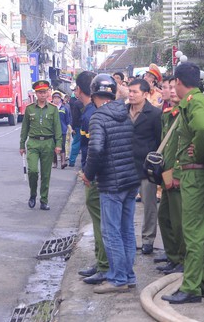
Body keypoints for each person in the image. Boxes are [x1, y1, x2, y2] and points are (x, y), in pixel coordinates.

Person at [162, 62, 204, 304]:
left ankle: (191, 287)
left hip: (195, 174)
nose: (173, 88)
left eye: (173, 84)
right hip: (198, 174)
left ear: (179, 83)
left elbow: (203, 128)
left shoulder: (194, 101)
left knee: (192, 231)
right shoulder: (194, 101)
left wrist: (197, 152)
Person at [79, 74, 140, 294]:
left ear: (94, 94)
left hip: (111, 183)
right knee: (126, 230)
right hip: (130, 180)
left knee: (111, 231)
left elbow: (95, 149)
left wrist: (87, 174)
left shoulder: (98, 117)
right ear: (113, 93)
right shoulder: (125, 113)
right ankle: (129, 276)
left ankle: (117, 279)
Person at [73, 71, 110, 285]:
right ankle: (100, 261)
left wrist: (88, 174)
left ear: (80, 90)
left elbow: (94, 150)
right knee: (99, 221)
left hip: (94, 176)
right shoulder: (92, 112)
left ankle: (104, 264)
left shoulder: (91, 115)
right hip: (95, 173)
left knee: (100, 222)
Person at [127, 78, 162, 255]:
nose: (131, 95)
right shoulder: (123, 112)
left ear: (145, 94)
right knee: (126, 205)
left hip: (146, 167)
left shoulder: (155, 114)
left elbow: (159, 141)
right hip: (126, 166)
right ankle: (128, 239)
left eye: (135, 92)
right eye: (129, 91)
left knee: (149, 205)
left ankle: (148, 239)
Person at [156, 76, 187, 275]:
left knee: (179, 220)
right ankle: (173, 256)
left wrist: (176, 173)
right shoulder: (168, 114)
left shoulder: (185, 114)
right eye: (168, 87)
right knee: (165, 216)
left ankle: (183, 259)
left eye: (175, 87)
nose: (171, 90)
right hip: (166, 173)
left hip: (179, 174)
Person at [19, 80, 63, 210]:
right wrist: (22, 145)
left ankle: (44, 199)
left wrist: (58, 144)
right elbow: (24, 128)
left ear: (48, 93)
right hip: (33, 142)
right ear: (36, 94)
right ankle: (33, 194)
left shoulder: (53, 109)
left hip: (48, 143)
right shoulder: (29, 109)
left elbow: (57, 128)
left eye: (44, 92)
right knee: (33, 170)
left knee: (45, 174)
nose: (42, 95)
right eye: (40, 92)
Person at [52, 91, 71, 169]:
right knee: (53, 146)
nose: (56, 100)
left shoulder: (64, 108)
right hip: (52, 130)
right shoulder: (51, 108)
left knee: (62, 145)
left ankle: (63, 162)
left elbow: (68, 120)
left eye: (58, 98)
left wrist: (70, 128)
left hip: (62, 130)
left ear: (60, 99)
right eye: (55, 98)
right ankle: (54, 162)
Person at [69, 89, 84, 167]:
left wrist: (73, 127)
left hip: (78, 126)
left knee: (76, 144)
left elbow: (75, 117)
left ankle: (72, 161)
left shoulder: (77, 103)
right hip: (87, 126)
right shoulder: (90, 102)